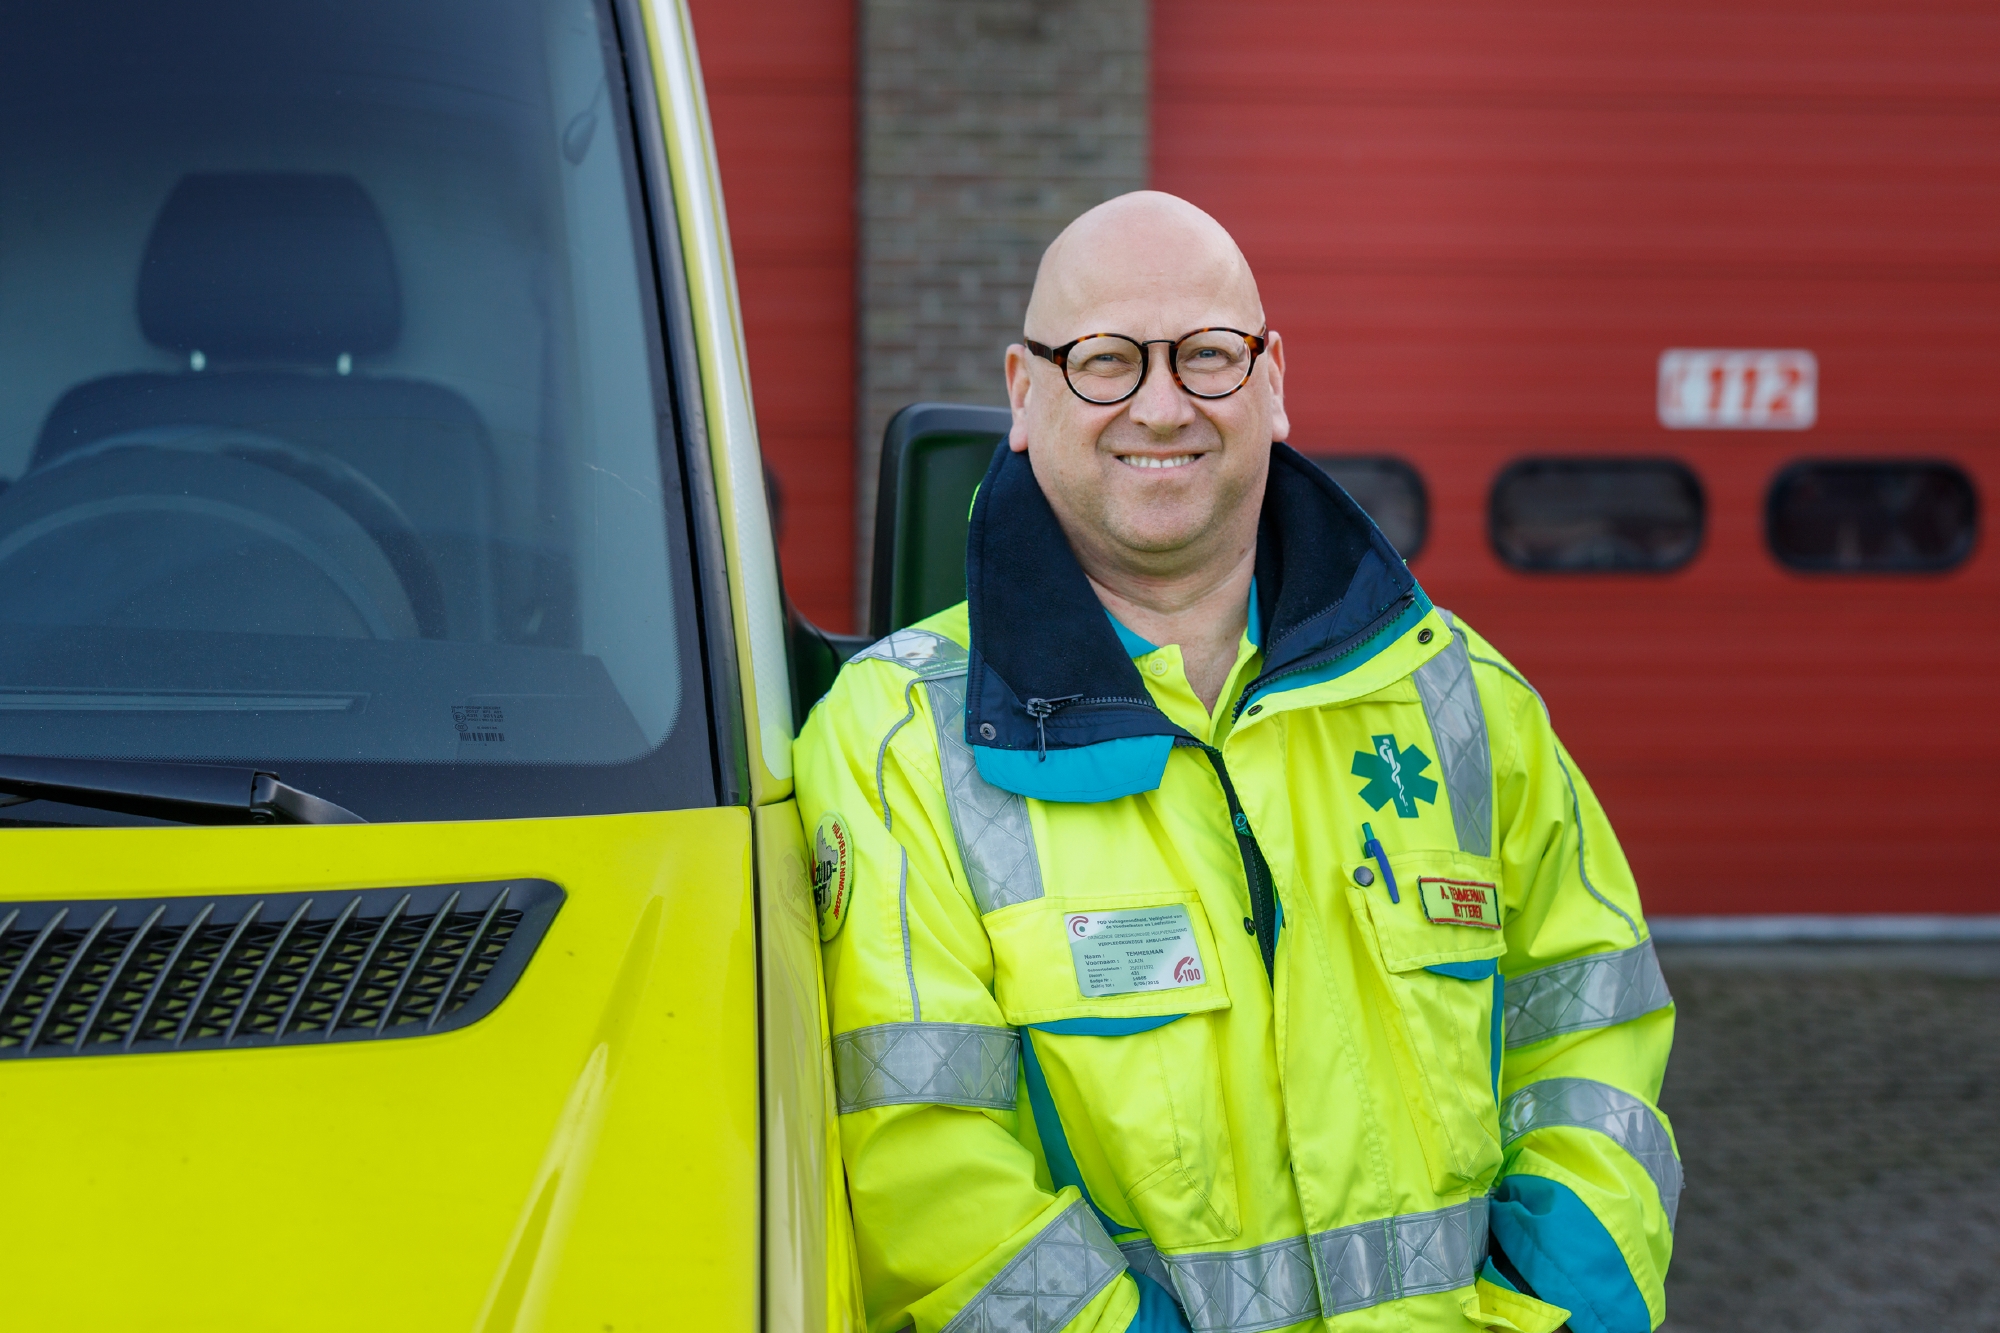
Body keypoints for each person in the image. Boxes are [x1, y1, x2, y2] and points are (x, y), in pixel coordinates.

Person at [794, 191, 1677, 1333]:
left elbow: (1589, 1026)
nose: (1161, 407)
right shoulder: (894, 742)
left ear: (1270, 379)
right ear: (1024, 392)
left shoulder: (1461, 697)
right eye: (1105, 360)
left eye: (1206, 356)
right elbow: (916, 1163)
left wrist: (1561, 1311)